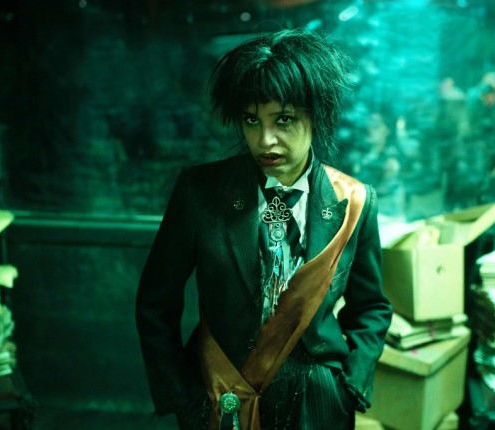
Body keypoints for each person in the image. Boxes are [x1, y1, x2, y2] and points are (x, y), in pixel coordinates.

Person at [136, 28, 392, 430]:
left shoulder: (354, 202)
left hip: (317, 400)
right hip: (221, 392)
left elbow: (371, 306)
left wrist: (349, 384)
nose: (264, 140)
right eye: (251, 120)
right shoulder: (201, 193)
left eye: (283, 120)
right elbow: (156, 301)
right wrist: (178, 395)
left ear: (316, 114)